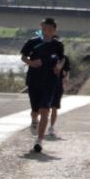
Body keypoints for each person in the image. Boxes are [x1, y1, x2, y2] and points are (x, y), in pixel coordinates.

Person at [20, 19, 66, 152]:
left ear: (54, 31)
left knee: (45, 109)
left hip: (50, 81)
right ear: (41, 28)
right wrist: (31, 63)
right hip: (34, 81)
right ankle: (34, 120)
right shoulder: (33, 42)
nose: (47, 32)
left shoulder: (58, 45)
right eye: (44, 29)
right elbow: (23, 57)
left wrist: (59, 66)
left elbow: (62, 58)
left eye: (50, 30)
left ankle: (39, 140)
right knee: (35, 110)